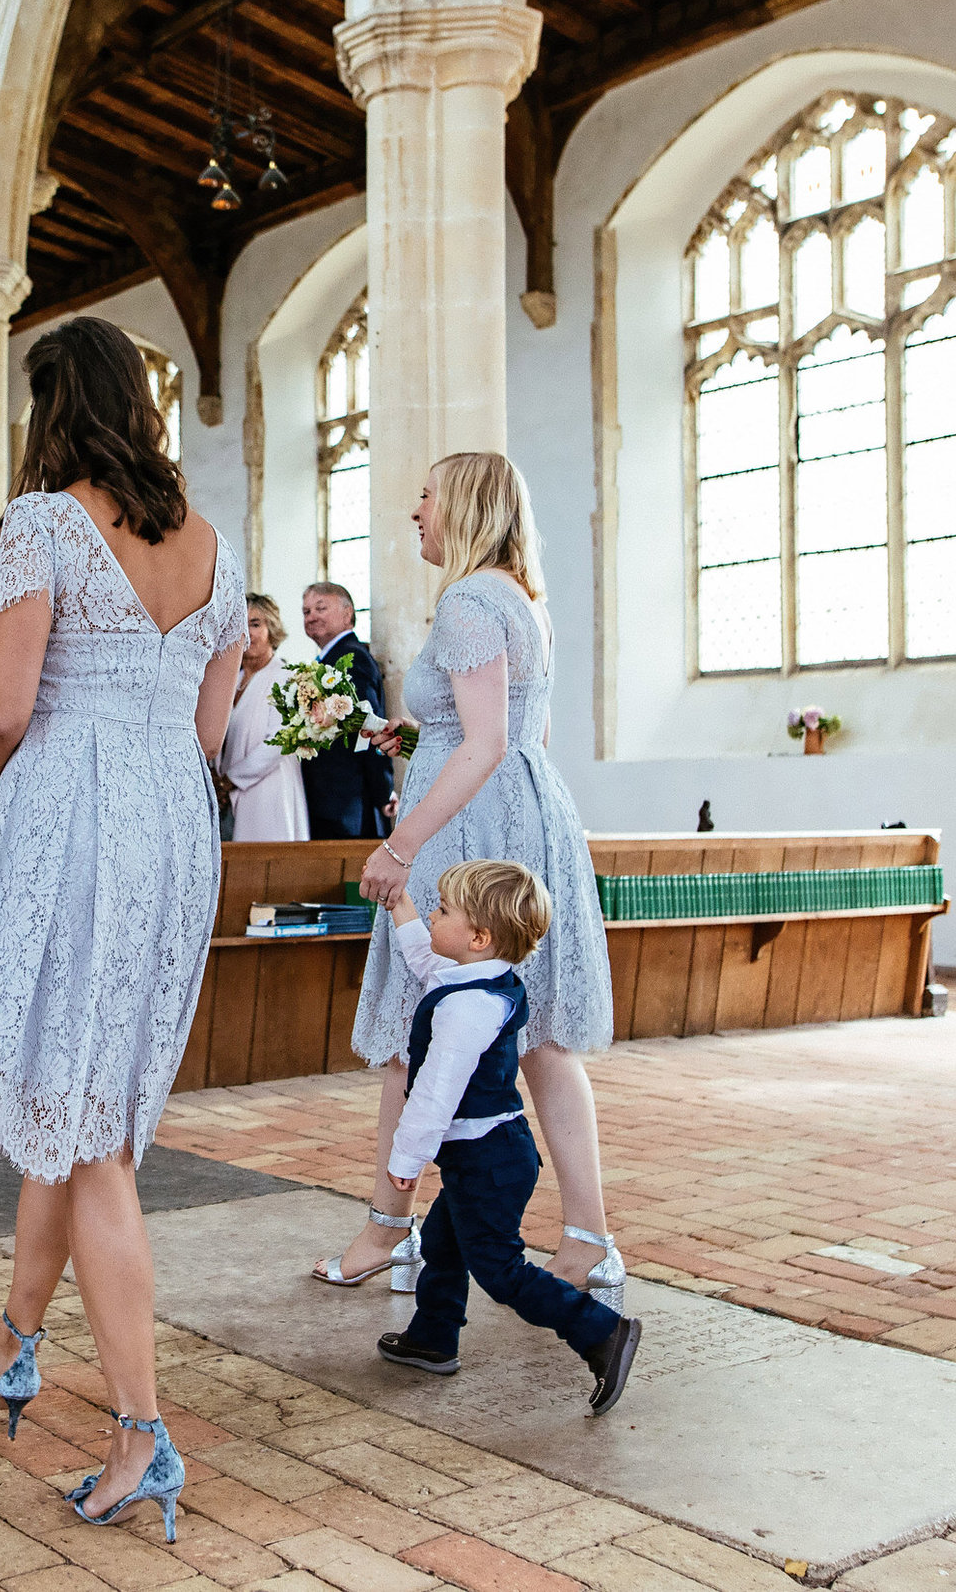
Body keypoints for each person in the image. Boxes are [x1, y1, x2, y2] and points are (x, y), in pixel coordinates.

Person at [0, 315, 246, 1543]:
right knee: (70, 1091)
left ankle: (140, 1431)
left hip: (70, 814)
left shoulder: (41, 520)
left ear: (54, 407)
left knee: (91, 1137)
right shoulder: (209, 544)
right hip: (167, 824)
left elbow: (5, 704)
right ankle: (14, 1344)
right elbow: (207, 726)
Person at [316, 452, 620, 1309]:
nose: (416, 511)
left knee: (417, 1033)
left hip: (469, 828)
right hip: (523, 813)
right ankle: (590, 1241)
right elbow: (515, 735)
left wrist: (401, 847)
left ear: (464, 507)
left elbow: (482, 745)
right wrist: (413, 746)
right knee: (542, 1040)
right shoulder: (522, 598)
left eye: (425, 495)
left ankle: (386, 1226)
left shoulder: (468, 598)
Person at [371, 861, 642, 1413]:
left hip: (487, 1160)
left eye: (442, 910)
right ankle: (432, 1336)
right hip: (490, 1154)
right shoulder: (473, 978)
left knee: (500, 1270)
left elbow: (435, 1092)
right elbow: (426, 958)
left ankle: (600, 1333)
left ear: (478, 937)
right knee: (445, 1244)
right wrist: (401, 908)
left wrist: (405, 1160)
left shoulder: (469, 1009)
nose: (434, 916)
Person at [298, 582, 393, 839]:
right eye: (306, 612)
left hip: (348, 800)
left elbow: (370, 726)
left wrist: (383, 790)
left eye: (321, 608)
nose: (312, 616)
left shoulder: (352, 658)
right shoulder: (326, 661)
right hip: (331, 797)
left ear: (347, 612)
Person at [215, 594, 310, 842]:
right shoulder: (231, 679)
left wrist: (229, 781)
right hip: (227, 796)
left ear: (272, 628)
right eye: (239, 624)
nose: (246, 633)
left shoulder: (285, 676)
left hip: (269, 793)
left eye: (255, 624)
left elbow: (279, 742)